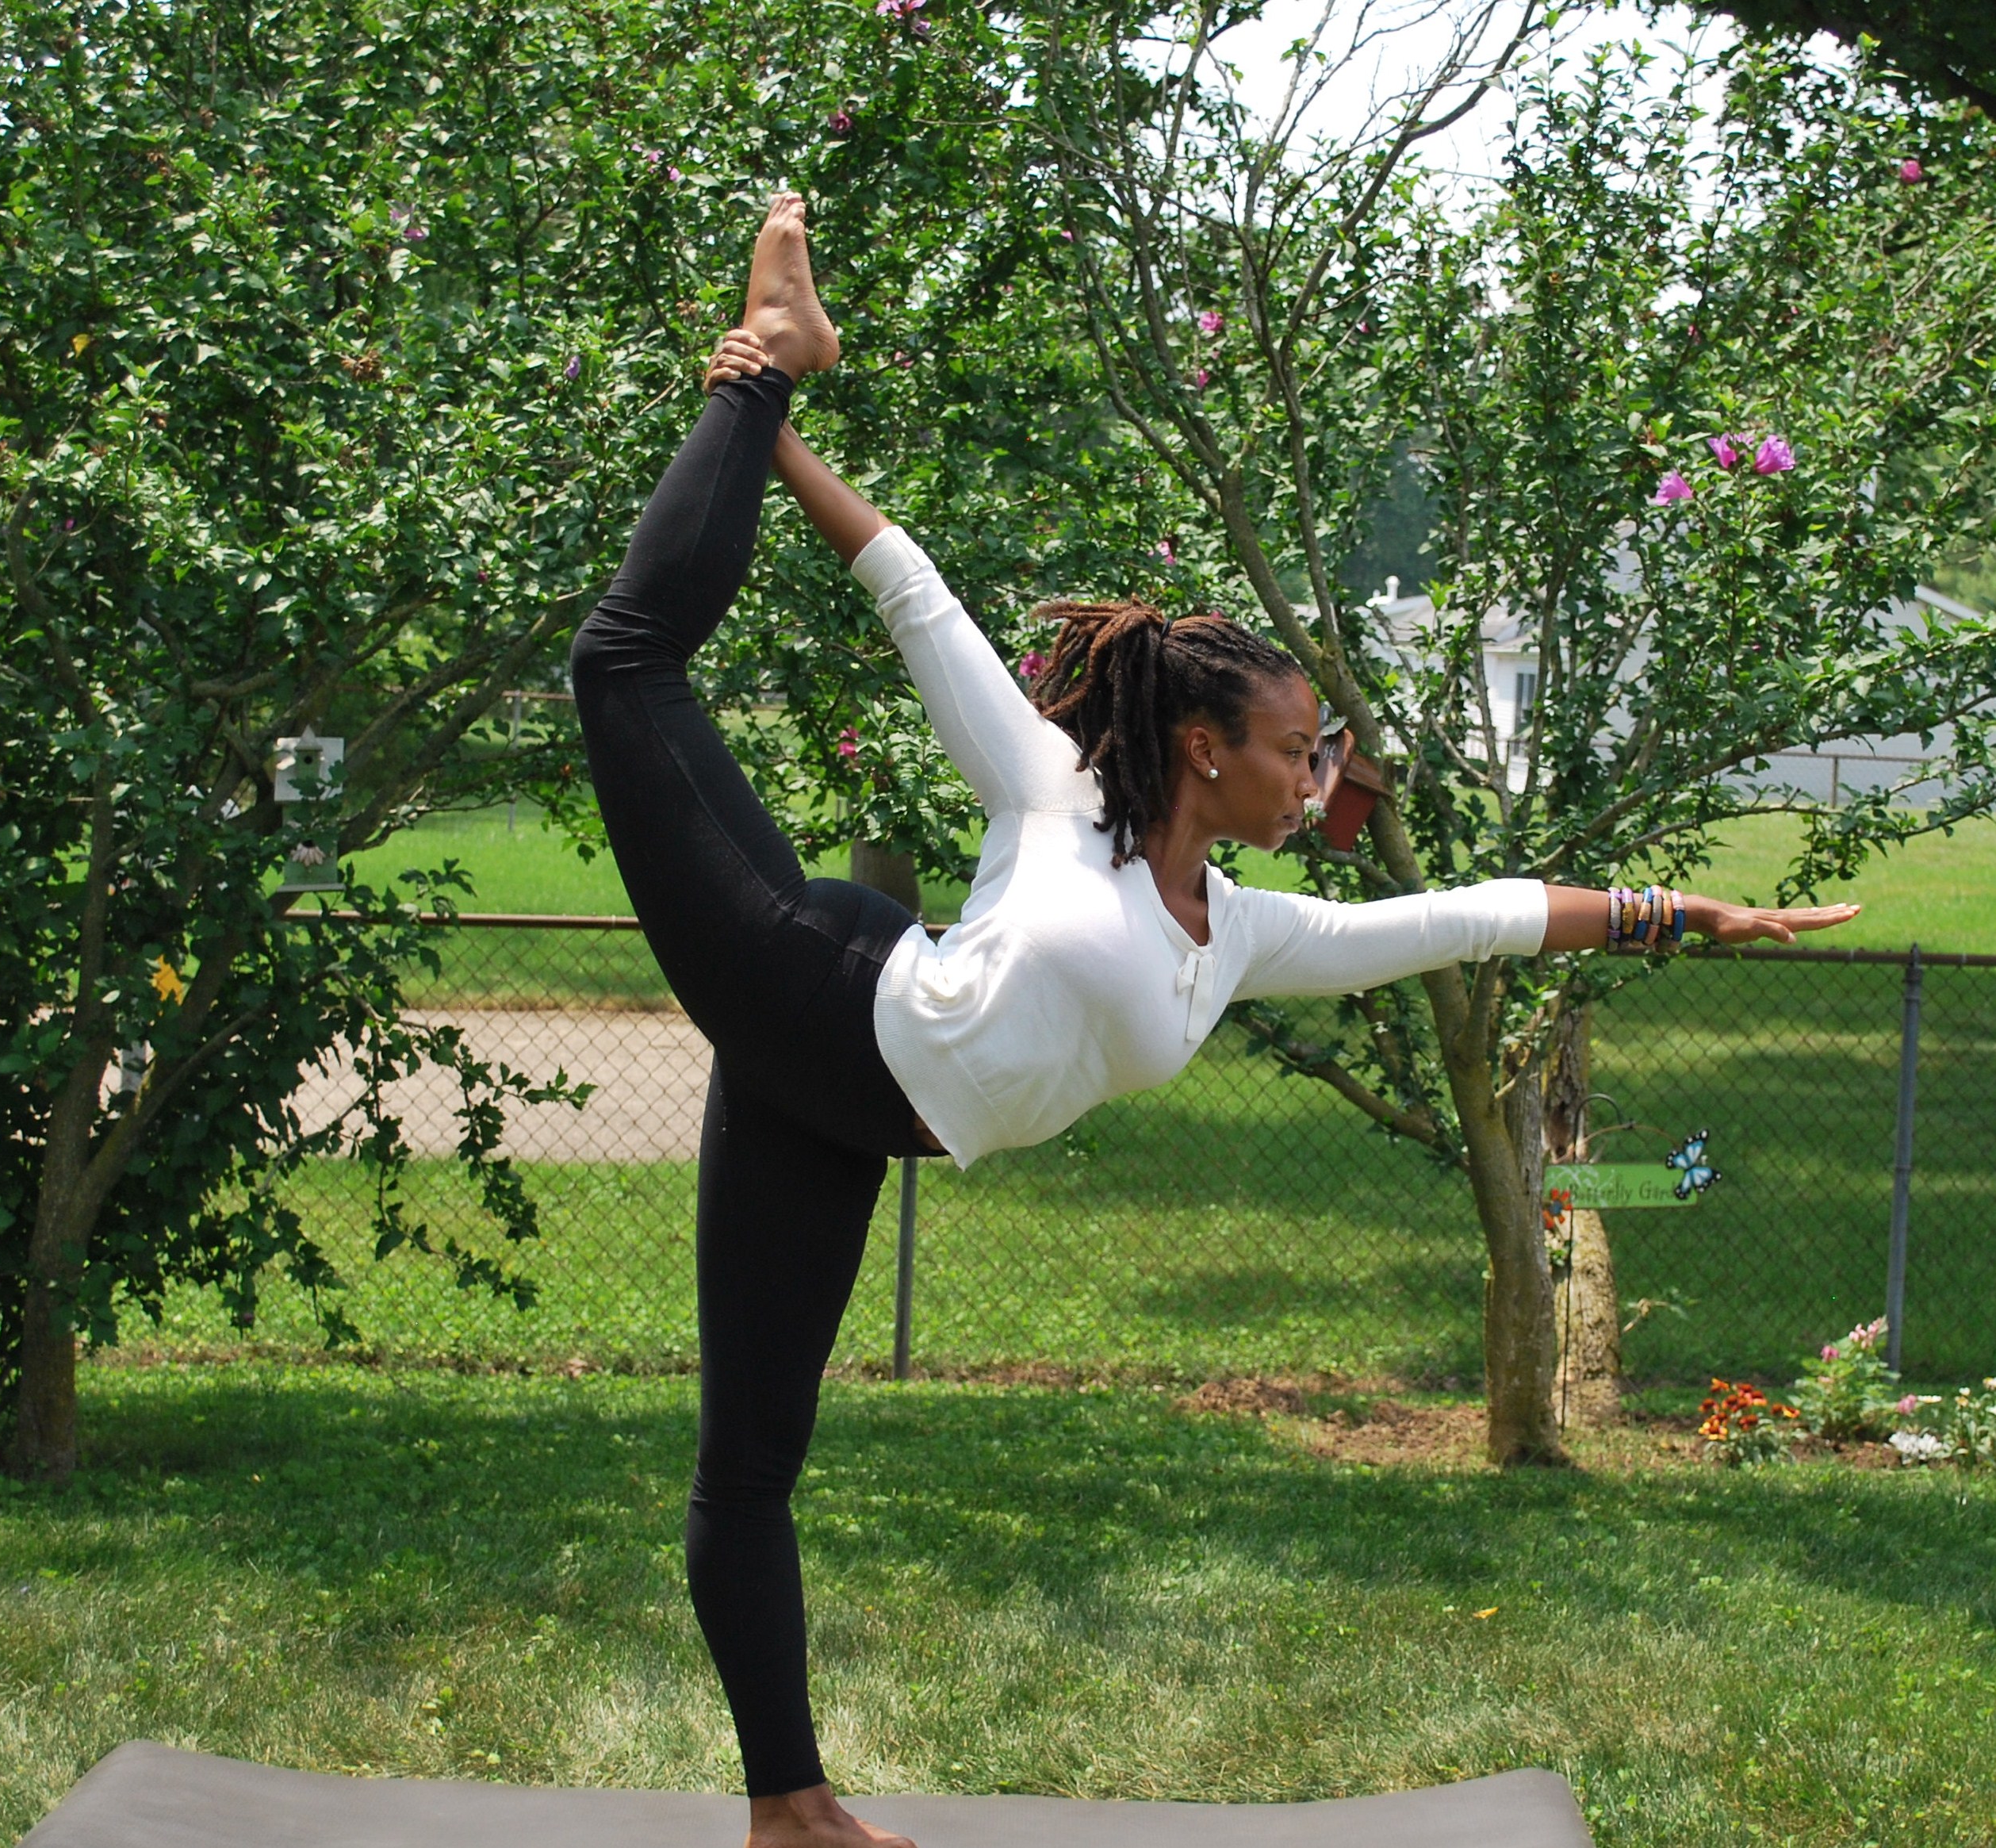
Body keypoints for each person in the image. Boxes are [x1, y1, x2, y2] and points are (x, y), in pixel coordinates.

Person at [568, 194, 1858, 1848]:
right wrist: (778, 418)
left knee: (751, 1461)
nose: (1318, 776)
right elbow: (911, 591)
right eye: (1295, 747)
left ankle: (788, 1810)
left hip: (850, 1106)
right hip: (808, 983)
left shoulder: (1236, 933)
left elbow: (1471, 916)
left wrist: (1688, 912)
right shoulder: (1050, 798)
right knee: (625, 664)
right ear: (1200, 749)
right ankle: (759, 358)